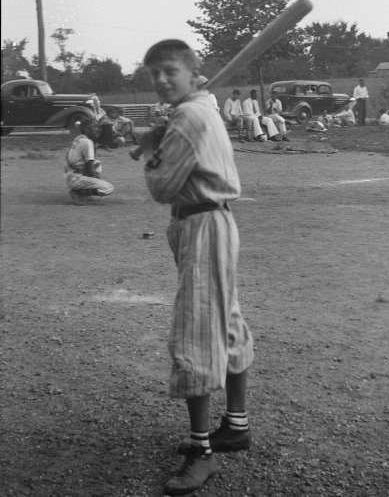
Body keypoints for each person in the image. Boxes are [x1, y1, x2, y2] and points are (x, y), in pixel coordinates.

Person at [138, 39, 254, 496]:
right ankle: (237, 425)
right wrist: (161, 134)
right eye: (154, 74)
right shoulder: (201, 105)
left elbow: (162, 187)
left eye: (170, 71)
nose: (162, 80)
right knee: (225, 321)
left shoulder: (188, 116)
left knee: (196, 333)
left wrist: (150, 147)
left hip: (201, 223)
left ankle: (201, 451)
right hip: (215, 221)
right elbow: (193, 109)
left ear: (192, 73)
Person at [64, 118, 114, 205]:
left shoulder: (77, 140)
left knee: (97, 164)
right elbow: (90, 167)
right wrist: (96, 182)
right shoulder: (87, 142)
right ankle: (79, 193)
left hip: (70, 175)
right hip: (76, 178)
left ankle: (82, 191)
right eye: (95, 127)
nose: (98, 130)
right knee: (108, 188)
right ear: (87, 128)